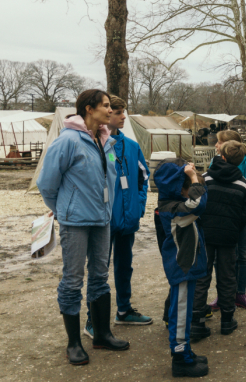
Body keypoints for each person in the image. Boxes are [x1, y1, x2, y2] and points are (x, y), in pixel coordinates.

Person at [37, 89, 129, 366]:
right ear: (88, 109)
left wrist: (109, 209)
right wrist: (65, 209)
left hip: (102, 220)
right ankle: (74, 343)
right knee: (73, 280)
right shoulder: (67, 141)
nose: (110, 110)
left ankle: (101, 334)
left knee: (100, 276)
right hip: (75, 222)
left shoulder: (106, 141)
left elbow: (110, 178)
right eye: (105, 106)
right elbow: (46, 183)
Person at [83, 96, 151, 340]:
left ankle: (123, 310)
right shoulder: (95, 144)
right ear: (106, 114)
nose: (123, 117)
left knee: (125, 266)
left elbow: (144, 178)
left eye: (124, 112)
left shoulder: (132, 146)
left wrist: (138, 206)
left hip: (128, 219)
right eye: (118, 112)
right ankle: (93, 319)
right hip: (104, 220)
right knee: (98, 270)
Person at [153, 159, 210, 378]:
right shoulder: (174, 210)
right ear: (178, 188)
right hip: (182, 268)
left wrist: (191, 176)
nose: (191, 192)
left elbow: (199, 198)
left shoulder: (174, 204)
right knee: (181, 311)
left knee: (184, 312)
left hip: (187, 266)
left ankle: (186, 350)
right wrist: (194, 178)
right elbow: (200, 203)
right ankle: (180, 357)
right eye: (188, 188)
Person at [191, 141, 246, 341]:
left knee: (202, 276)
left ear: (222, 157)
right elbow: (245, 215)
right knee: (227, 276)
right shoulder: (244, 184)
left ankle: (197, 321)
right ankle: (227, 320)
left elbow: (197, 205)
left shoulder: (206, 178)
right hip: (229, 237)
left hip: (205, 235)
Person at [208, 130, 246, 310]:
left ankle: (240, 293)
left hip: (241, 218)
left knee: (242, 255)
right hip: (220, 219)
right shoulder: (214, 162)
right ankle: (223, 295)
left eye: (219, 142)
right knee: (219, 257)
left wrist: (244, 210)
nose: (216, 145)